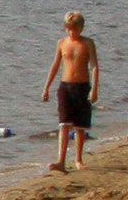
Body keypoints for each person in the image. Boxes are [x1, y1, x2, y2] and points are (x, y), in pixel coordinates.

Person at [43, 10, 100, 171]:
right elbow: (55, 65)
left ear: (81, 27)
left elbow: (94, 66)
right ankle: (60, 161)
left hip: (82, 86)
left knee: (80, 126)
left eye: (74, 28)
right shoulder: (61, 43)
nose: (71, 32)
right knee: (63, 124)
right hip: (65, 86)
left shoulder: (88, 43)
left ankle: (78, 159)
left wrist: (94, 89)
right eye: (68, 28)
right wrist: (46, 87)